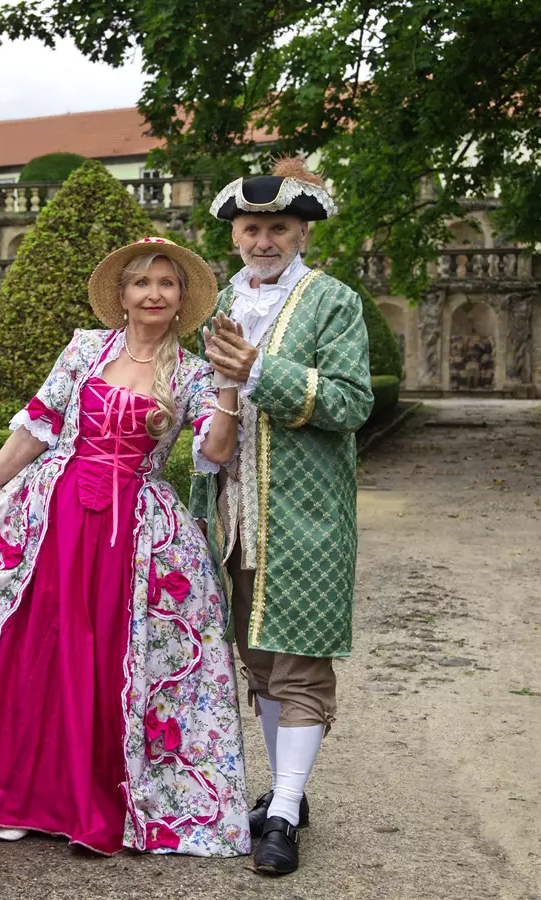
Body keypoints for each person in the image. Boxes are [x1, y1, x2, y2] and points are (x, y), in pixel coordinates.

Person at [0, 237, 250, 858]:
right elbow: (36, 429)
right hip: (55, 518)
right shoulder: (85, 349)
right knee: (35, 653)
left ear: (181, 299)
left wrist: (230, 387)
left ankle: (96, 802)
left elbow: (214, 454)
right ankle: (14, 797)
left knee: (108, 660)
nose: (155, 294)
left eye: (168, 284)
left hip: (136, 533)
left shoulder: (193, 373)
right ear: (124, 296)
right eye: (143, 283)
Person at [191, 157, 373, 875]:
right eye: (251, 228)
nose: (264, 240)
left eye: (278, 228)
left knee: (300, 661)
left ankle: (287, 812)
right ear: (235, 236)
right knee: (259, 659)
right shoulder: (217, 307)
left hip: (306, 514)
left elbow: (353, 402)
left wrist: (259, 371)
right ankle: (283, 796)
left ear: (301, 233)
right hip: (233, 511)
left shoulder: (334, 303)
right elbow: (207, 398)